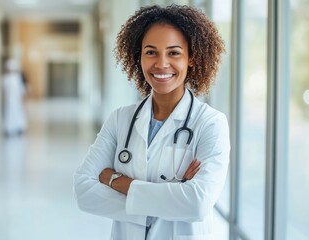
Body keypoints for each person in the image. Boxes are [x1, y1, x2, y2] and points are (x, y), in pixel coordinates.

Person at [73, 4, 229, 240]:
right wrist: (171, 198)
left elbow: (197, 204)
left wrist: (115, 180)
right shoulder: (120, 119)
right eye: (151, 52)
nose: (161, 63)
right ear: (139, 57)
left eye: (174, 52)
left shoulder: (210, 123)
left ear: (192, 59)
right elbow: (84, 191)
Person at [2, 58, 27, 136]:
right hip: (9, 101)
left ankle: (19, 128)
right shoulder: (5, 78)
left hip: (16, 100)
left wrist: (22, 98)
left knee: (18, 113)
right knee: (9, 114)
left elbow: (22, 89)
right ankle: (9, 129)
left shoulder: (17, 78)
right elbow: (4, 90)